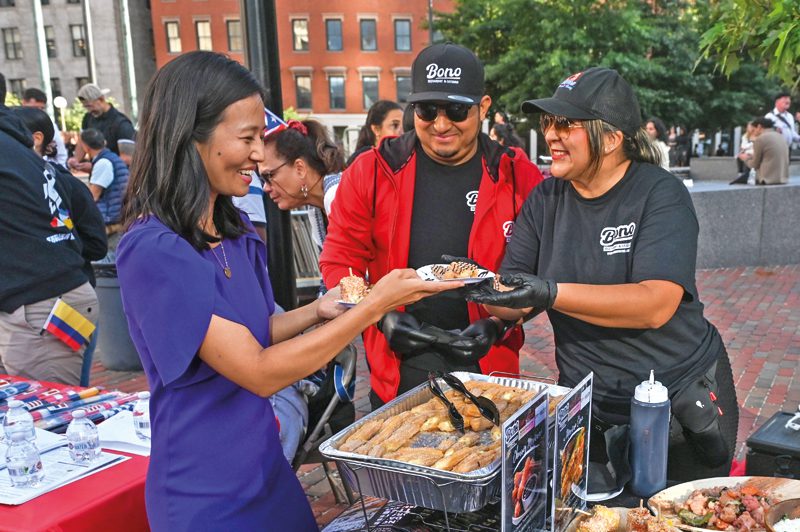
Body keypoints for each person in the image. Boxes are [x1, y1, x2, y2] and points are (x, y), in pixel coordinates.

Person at [116, 51, 457, 531]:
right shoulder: (154, 250)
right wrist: (374, 304)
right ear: (191, 137)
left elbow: (257, 330)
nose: (259, 155)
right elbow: (256, 371)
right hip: (205, 493)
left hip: (267, 468)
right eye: (248, 138)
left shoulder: (233, 233)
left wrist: (321, 309)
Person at [465, 67, 739, 487]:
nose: (551, 135)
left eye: (566, 124)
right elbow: (511, 293)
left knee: (684, 513)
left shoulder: (660, 194)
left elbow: (655, 304)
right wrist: (482, 293)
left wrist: (549, 292)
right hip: (589, 404)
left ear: (611, 139)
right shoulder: (546, 198)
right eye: (548, 123)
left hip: (677, 400)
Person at [320, 42, 544, 409]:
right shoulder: (372, 170)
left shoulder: (518, 175)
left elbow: (538, 277)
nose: (441, 124)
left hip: (490, 364)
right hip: (399, 363)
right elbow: (339, 261)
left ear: (483, 107)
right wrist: (377, 315)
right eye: (427, 110)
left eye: (457, 110)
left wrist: (502, 325)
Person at [260, 117, 348, 461]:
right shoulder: (319, 206)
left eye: (269, 175)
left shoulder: (338, 196)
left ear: (299, 168)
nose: (265, 187)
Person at [0, 100, 99, 385]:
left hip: (41, 307)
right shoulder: (24, 156)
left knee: (53, 417)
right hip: (45, 300)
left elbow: (96, 241)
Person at [80, 128, 130, 250]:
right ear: (104, 142)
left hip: (111, 221)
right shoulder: (112, 158)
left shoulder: (103, 163)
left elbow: (93, 196)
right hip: (120, 216)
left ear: (85, 147)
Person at [67, 83, 135, 172]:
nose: (89, 110)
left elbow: (127, 158)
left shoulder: (121, 123)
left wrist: (95, 166)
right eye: (85, 107)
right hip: (98, 175)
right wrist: (75, 160)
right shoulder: (88, 118)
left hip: (118, 177)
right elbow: (82, 142)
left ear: (101, 99)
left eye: (90, 106)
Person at [346, 100, 403, 166]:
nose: (402, 132)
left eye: (404, 126)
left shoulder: (405, 157)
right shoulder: (361, 160)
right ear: (376, 129)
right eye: (395, 125)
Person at [21, 87, 68, 165]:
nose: (38, 112)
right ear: (23, 103)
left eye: (41, 108)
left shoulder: (49, 125)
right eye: (34, 108)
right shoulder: (13, 124)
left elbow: (61, 155)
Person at [738, 117, 789, 185]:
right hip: (783, 179)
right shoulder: (780, 136)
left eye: (753, 129)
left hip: (767, 179)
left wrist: (745, 158)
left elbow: (754, 165)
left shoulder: (761, 139)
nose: (753, 132)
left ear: (759, 127)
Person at [765, 91, 799, 160]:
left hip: (787, 149)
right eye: (785, 99)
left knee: (785, 170)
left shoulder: (790, 116)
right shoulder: (769, 116)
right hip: (775, 150)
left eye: (789, 99)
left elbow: (792, 133)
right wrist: (774, 130)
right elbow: (764, 134)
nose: (788, 101)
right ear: (777, 102)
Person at [730, 121, 756, 185]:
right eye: (748, 127)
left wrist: (748, 146)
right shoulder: (745, 136)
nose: (750, 128)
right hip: (747, 152)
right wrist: (750, 144)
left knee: (747, 157)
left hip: (753, 152)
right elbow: (743, 146)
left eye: (751, 127)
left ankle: (748, 175)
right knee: (739, 157)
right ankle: (740, 174)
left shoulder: (757, 135)